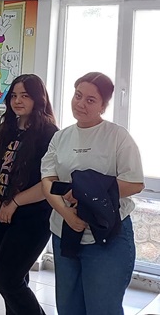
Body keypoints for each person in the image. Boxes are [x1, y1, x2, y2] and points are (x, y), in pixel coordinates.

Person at [41, 72, 144, 315]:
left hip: (107, 233)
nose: (81, 104)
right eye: (78, 96)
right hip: (65, 230)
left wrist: (87, 193)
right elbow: (47, 180)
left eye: (90, 100)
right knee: (68, 307)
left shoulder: (117, 136)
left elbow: (135, 183)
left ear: (103, 106)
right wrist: (67, 214)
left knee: (102, 308)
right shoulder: (61, 137)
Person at [0, 74, 58, 315]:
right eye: (14, 95)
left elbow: (48, 182)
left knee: (7, 280)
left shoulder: (49, 133)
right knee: (13, 282)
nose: (17, 101)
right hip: (0, 214)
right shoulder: (5, 128)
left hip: (32, 217)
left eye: (25, 95)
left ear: (38, 98)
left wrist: (15, 202)